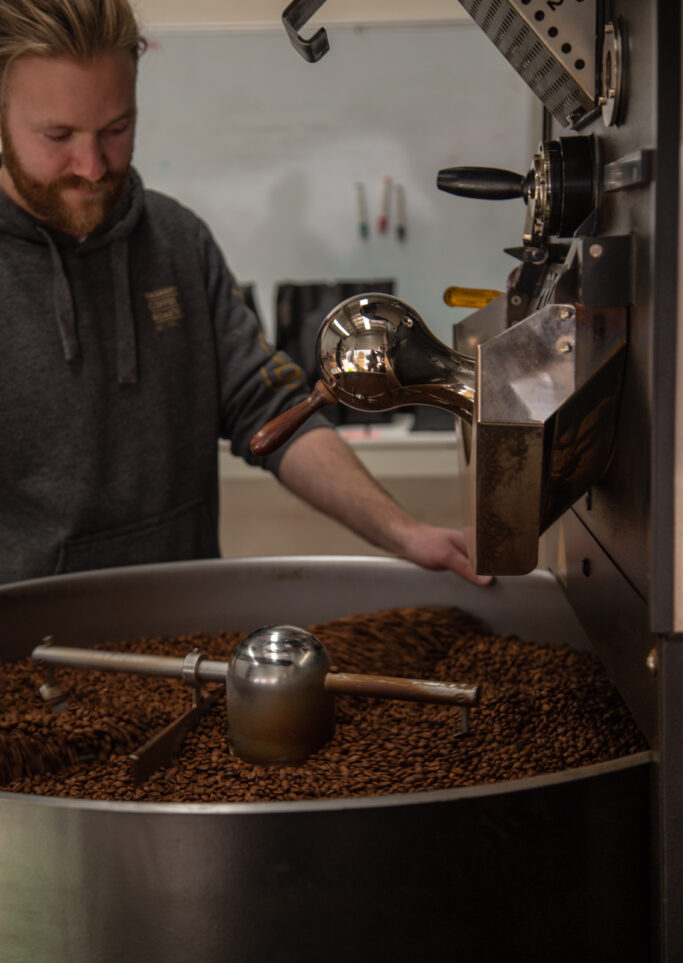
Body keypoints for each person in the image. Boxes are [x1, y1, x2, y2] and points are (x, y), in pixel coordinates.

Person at [0, 0, 491, 587]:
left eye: (116, 129)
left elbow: (269, 407)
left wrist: (405, 534)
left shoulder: (177, 241)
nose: (91, 165)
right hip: (26, 643)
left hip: (182, 634)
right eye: (58, 135)